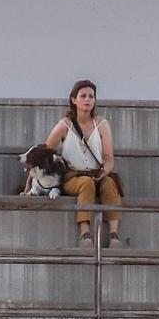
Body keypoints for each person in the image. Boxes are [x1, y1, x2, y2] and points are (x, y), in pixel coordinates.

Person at [43, 79, 124, 246]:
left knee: (109, 185)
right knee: (86, 184)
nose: (88, 100)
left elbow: (108, 157)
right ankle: (85, 233)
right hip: (74, 176)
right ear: (74, 100)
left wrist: (106, 171)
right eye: (83, 96)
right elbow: (46, 151)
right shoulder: (64, 125)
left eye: (91, 96)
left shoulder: (101, 124)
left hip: (97, 173)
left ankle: (115, 234)